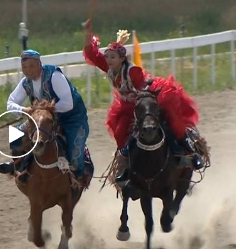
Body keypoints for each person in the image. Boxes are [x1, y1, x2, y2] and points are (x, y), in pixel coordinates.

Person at [81, 19, 205, 186]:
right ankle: (125, 166)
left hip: (149, 97)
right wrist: (87, 33)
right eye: (107, 57)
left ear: (121, 58)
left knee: (171, 122)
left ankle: (189, 152)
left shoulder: (133, 72)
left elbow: (144, 92)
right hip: (128, 105)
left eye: (112, 57)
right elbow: (91, 54)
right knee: (120, 132)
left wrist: (145, 107)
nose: (108, 60)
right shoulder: (111, 67)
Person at [0, 49, 90, 183]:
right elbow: (10, 103)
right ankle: (17, 166)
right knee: (16, 134)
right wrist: (25, 110)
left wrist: (46, 110)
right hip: (43, 121)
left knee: (75, 151)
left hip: (71, 119)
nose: (28, 70)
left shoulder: (54, 76)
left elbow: (68, 103)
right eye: (25, 67)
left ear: (39, 64)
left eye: (31, 66)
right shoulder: (26, 82)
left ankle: (79, 176)